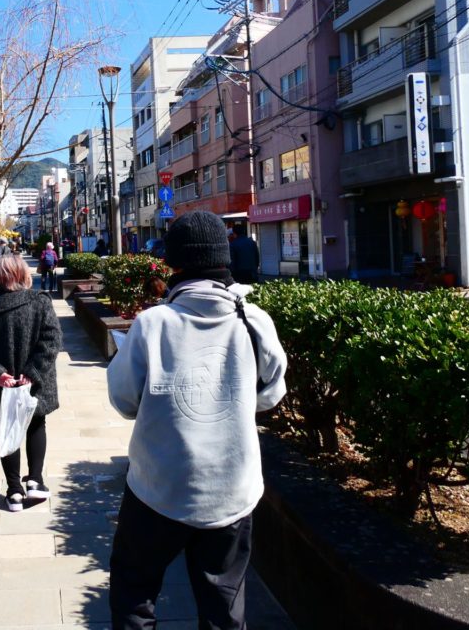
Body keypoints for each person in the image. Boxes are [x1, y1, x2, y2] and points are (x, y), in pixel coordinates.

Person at [106, 211, 287, 630]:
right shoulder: (253, 320)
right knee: (223, 611)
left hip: (158, 489)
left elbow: (124, 401)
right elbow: (271, 393)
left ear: (174, 265)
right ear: (224, 260)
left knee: (134, 595)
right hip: (232, 491)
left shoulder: (153, 323)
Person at [0, 253, 63, 511]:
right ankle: (36, 482)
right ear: (23, 274)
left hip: (2, 385)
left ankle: (14, 491)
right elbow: (52, 340)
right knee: (36, 425)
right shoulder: (40, 302)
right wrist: (33, 371)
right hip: (35, 381)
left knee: (8, 428)